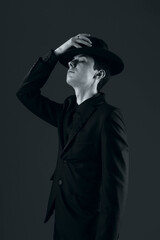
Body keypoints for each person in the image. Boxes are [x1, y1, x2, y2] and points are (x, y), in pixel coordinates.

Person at [16, 33, 129, 240]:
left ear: (99, 74)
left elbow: (114, 193)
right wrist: (57, 52)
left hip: (89, 229)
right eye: (71, 59)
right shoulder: (66, 112)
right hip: (63, 221)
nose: (72, 62)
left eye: (82, 60)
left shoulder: (108, 118)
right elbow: (25, 93)